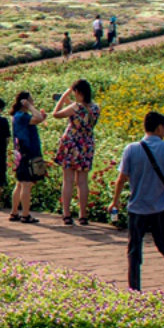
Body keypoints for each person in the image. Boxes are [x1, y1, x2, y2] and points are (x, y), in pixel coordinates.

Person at [111, 111, 164, 304]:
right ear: (159, 127)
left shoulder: (131, 149)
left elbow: (121, 179)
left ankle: (134, 289)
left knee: (134, 250)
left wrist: (115, 201)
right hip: (161, 207)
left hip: (137, 208)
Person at [51, 80, 100, 227]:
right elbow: (83, 113)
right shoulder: (95, 108)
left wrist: (63, 97)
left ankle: (66, 214)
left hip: (71, 143)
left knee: (68, 180)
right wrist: (70, 101)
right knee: (83, 181)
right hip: (87, 144)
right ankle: (83, 215)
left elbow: (56, 114)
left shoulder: (75, 107)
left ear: (78, 92)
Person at [10, 91, 46, 223]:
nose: (33, 102)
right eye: (31, 100)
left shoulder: (18, 116)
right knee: (26, 184)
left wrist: (39, 115)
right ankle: (25, 214)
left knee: (19, 183)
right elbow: (38, 118)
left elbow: (37, 120)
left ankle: (14, 212)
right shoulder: (22, 115)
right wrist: (31, 108)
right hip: (27, 152)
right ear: (24, 102)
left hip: (20, 152)